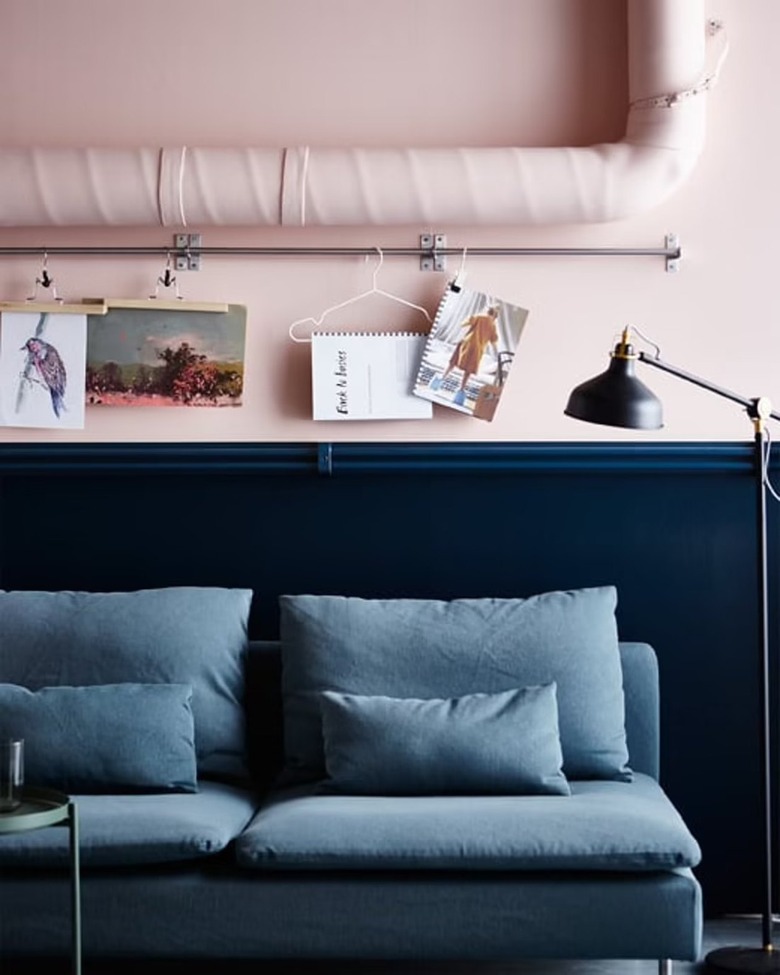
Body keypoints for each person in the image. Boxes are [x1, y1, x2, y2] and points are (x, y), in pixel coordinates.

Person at [434, 305, 499, 407]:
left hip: (466, 343)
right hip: (478, 349)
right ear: (495, 317)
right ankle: (460, 391)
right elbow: (494, 340)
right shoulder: (493, 325)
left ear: (487, 311)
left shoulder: (479, 317)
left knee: (453, 362)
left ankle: (440, 380)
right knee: (468, 371)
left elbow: (463, 323)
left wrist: (471, 319)